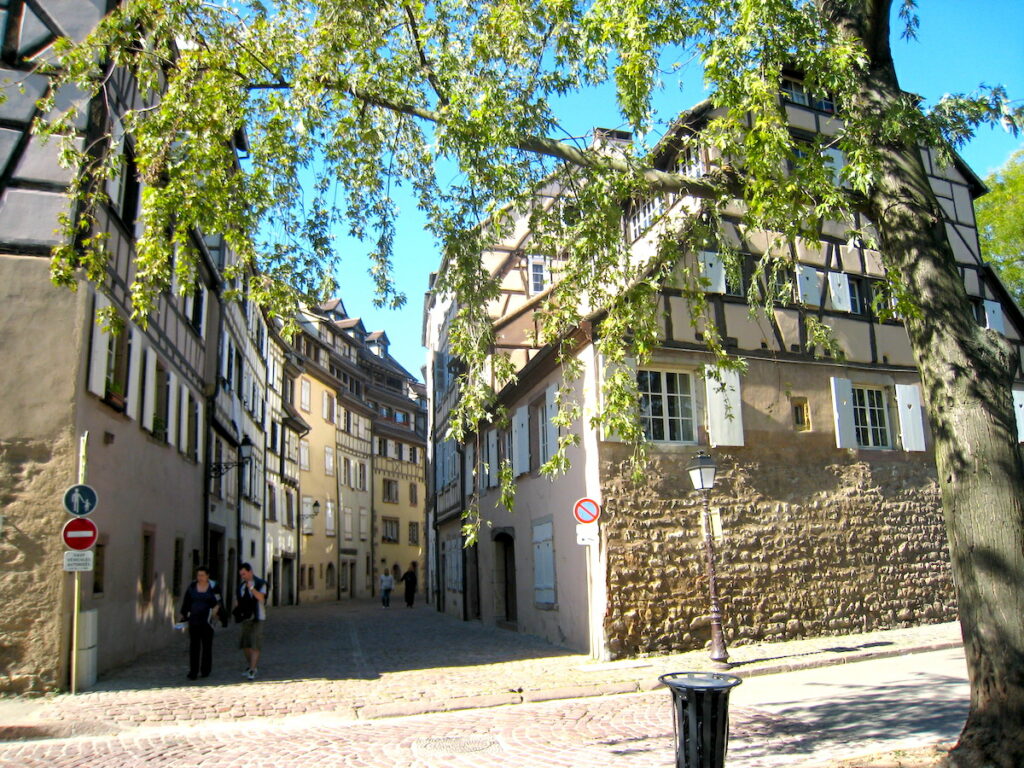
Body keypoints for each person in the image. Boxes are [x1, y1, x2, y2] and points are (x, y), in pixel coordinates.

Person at [178, 566, 222, 680]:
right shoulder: (192, 587)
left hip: (207, 621)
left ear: (207, 576)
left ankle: (205, 670)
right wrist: (184, 616)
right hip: (194, 620)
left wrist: (216, 611)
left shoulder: (213, 587)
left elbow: (218, 602)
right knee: (194, 646)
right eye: (198, 575)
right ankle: (193, 671)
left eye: (202, 575)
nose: (200, 577)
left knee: (207, 646)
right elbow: (186, 602)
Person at [236, 562, 268, 680]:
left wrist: (252, 588)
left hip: (258, 617)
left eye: (244, 574)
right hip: (246, 617)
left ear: (250, 572)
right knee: (245, 644)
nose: (243, 577)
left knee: (255, 644)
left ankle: (253, 669)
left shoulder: (261, 583)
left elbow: (261, 598)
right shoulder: (241, 586)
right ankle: (251, 666)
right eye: (241, 575)